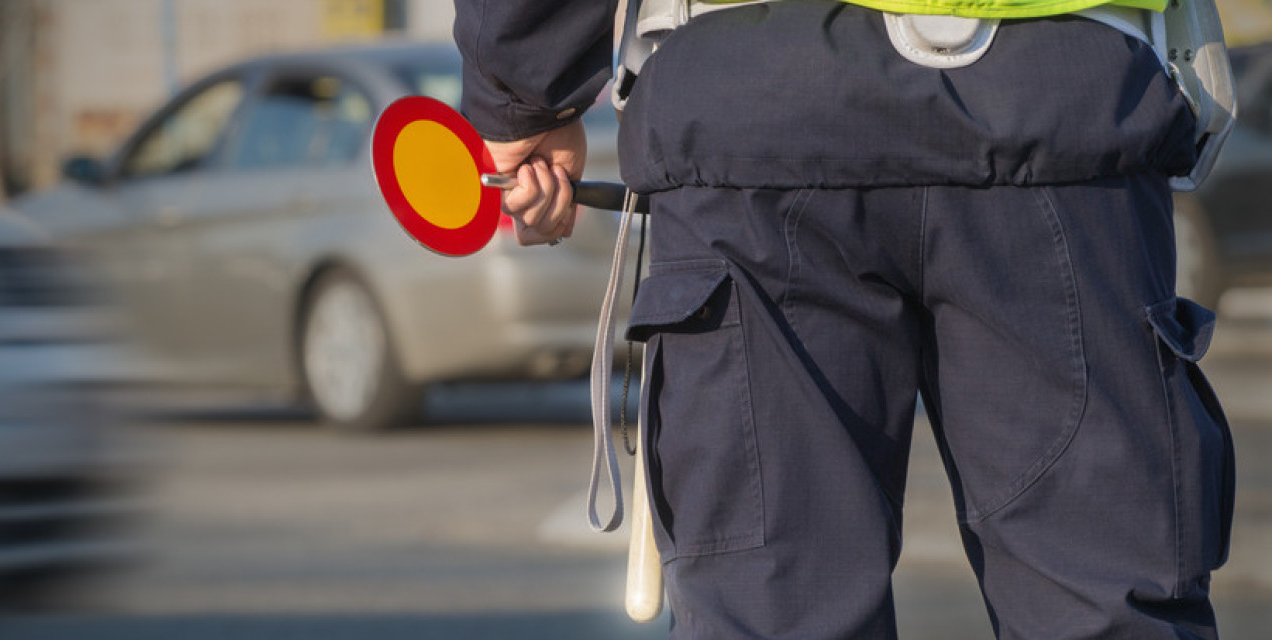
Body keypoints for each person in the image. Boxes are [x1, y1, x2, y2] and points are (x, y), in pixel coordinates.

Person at [451, 0, 1236, 638]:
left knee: (774, 602)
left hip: (753, 110)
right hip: (1060, 104)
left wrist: (523, 88)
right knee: (1103, 599)